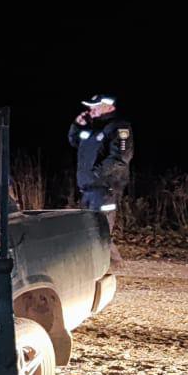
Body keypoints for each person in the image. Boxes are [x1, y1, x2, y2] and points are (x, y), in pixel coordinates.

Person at [68, 94, 132, 261]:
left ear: (109, 107)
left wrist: (96, 174)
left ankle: (110, 265)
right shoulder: (91, 128)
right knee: (89, 231)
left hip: (105, 188)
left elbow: (121, 157)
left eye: (95, 106)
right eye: (90, 106)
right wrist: (77, 125)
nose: (91, 109)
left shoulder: (119, 127)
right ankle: (103, 264)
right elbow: (74, 142)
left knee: (100, 231)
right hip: (87, 187)